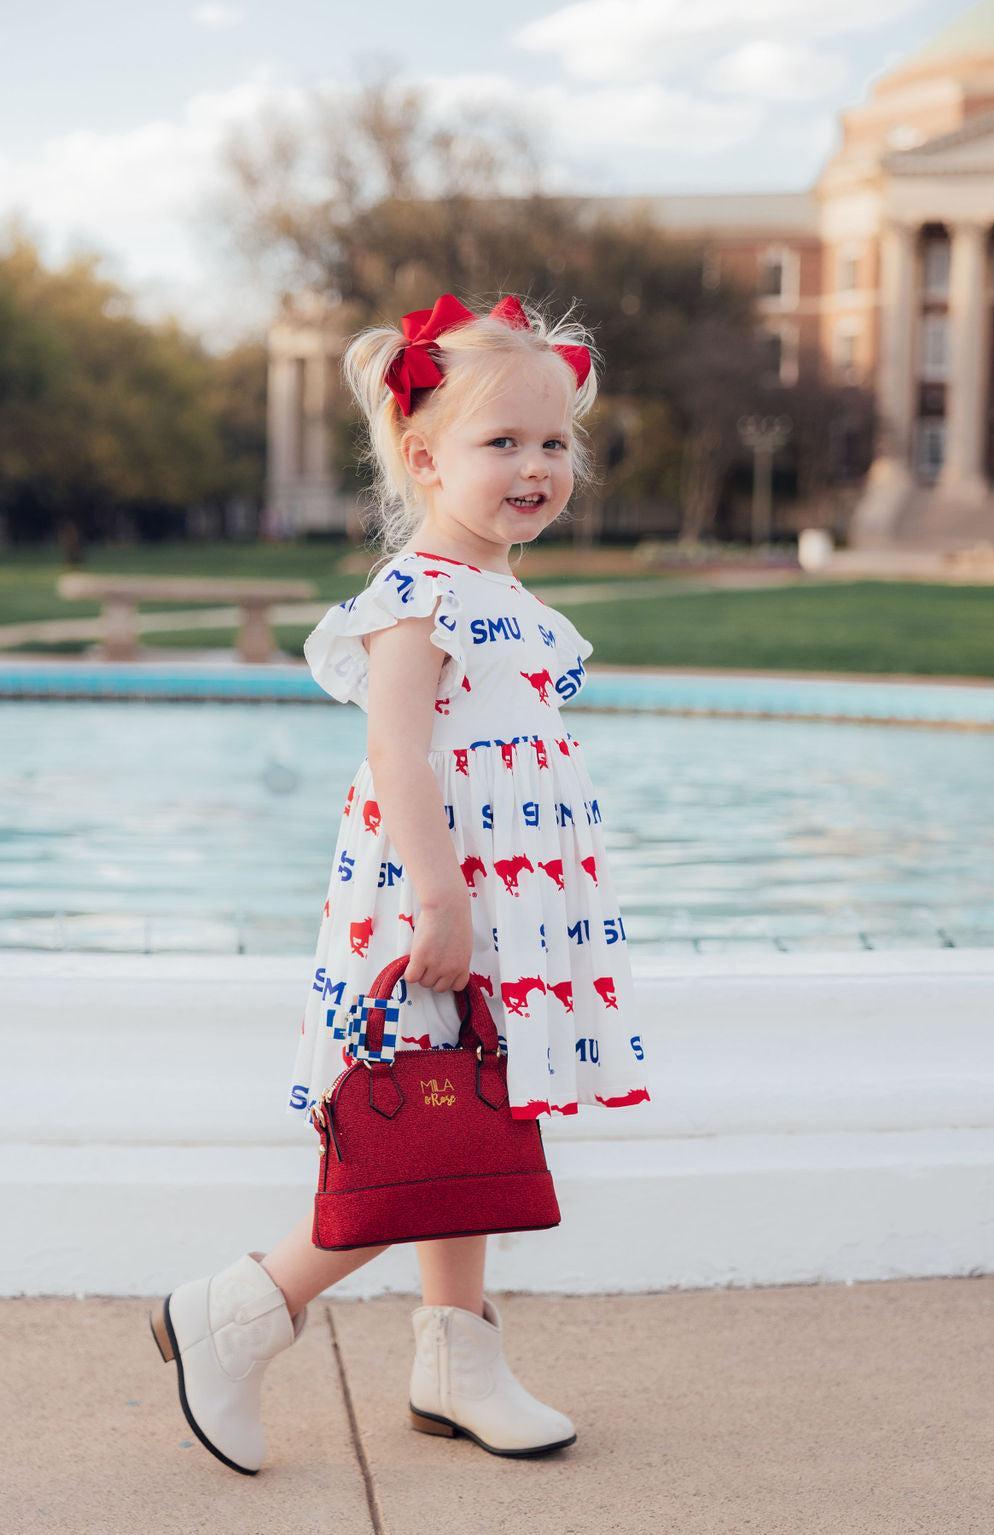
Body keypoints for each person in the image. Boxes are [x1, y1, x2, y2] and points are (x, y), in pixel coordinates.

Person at [150, 290, 652, 1475]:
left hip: (505, 893)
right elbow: (395, 753)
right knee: (409, 1117)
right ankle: (240, 1310)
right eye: (502, 443)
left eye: (552, 442)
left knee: (479, 1101)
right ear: (424, 458)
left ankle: (455, 1353)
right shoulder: (416, 599)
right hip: (439, 896)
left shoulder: (509, 598)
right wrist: (441, 897)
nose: (535, 466)